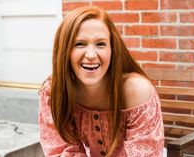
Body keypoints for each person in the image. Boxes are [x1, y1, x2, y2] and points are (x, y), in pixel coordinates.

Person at [38, 6, 164, 157]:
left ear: (112, 49)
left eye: (100, 44)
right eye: (80, 44)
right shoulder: (54, 92)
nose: (91, 55)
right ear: (65, 50)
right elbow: (59, 151)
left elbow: (146, 152)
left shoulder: (135, 91)